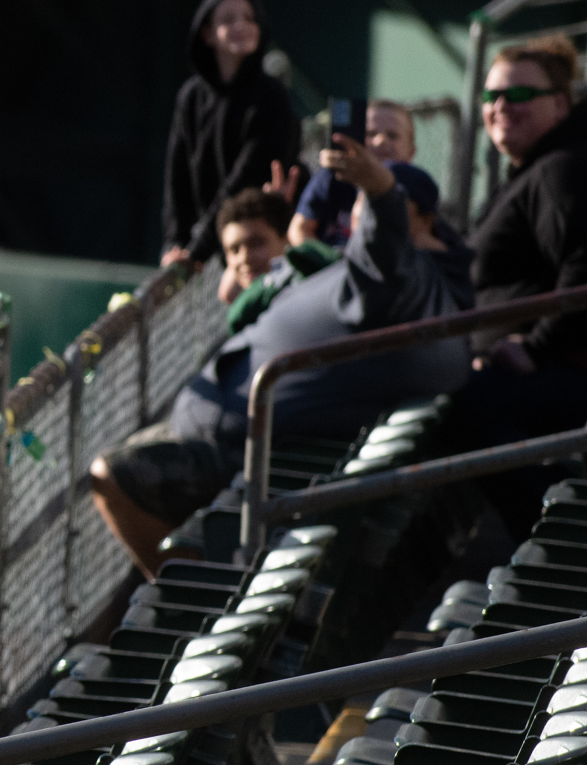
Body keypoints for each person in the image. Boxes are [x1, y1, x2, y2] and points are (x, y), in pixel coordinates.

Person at [94, 138, 474, 576]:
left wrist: (382, 191)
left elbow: (386, 250)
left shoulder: (406, 278)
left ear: (424, 221)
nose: (357, 216)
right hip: (226, 427)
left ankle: (187, 600)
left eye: (364, 208)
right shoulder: (404, 284)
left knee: (109, 475)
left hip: (249, 454)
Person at [449, 36, 587, 537]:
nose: (501, 107)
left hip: (563, 376)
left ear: (560, 102)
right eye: (491, 97)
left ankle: (562, 543)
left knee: (470, 409)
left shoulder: (561, 168)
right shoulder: (533, 169)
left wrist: (537, 346)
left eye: (519, 95)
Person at [161, 0, 302, 267]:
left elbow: (248, 177)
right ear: (207, 33)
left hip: (259, 244)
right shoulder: (190, 97)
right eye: (228, 19)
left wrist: (196, 249)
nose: (241, 25)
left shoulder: (272, 96)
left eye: (250, 18)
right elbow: (177, 179)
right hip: (211, 245)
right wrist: (174, 244)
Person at [290, 100, 420, 247]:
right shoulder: (333, 177)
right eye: (370, 133)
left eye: (393, 135)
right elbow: (298, 230)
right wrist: (326, 261)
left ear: (411, 151)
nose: (380, 141)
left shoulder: (417, 191)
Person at [214, 188, 340, 334]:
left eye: (256, 243)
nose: (244, 258)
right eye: (234, 250)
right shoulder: (242, 318)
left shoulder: (321, 283)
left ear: (286, 239)